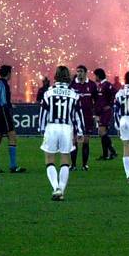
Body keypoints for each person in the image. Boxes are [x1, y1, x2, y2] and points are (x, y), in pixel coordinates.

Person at [39, 66, 84, 201]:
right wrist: (80, 131)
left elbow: (43, 113)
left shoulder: (48, 92)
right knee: (65, 159)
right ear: (68, 77)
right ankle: (61, 190)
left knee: (49, 159)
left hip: (52, 126)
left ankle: (55, 188)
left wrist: (41, 129)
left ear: (56, 76)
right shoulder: (74, 94)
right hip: (66, 128)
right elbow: (78, 115)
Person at [0, 65, 25, 173]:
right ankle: (13, 166)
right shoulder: (4, 85)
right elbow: (4, 101)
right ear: (8, 73)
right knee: (12, 136)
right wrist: (9, 106)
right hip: (3, 111)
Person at [69, 65, 98, 170]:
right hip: (75, 118)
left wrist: (96, 114)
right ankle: (73, 165)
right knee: (74, 141)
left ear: (86, 72)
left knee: (85, 141)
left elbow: (96, 100)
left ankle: (85, 165)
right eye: (77, 71)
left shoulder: (91, 85)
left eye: (81, 71)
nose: (79, 73)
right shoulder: (72, 85)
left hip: (87, 117)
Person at [93, 68, 118, 160]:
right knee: (102, 133)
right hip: (101, 112)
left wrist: (110, 105)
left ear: (99, 76)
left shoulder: (107, 85)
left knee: (102, 132)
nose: (94, 77)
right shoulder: (100, 85)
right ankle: (108, 154)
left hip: (106, 112)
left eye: (95, 75)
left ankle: (111, 152)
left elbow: (116, 94)